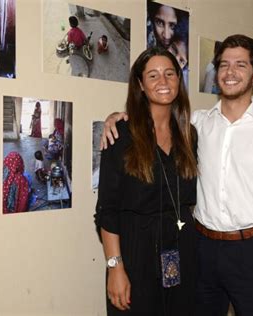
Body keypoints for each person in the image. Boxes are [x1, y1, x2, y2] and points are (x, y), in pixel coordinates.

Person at [101, 34, 253, 315]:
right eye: (224, 64)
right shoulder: (196, 125)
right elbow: (148, 123)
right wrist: (117, 116)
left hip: (251, 251)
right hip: (200, 249)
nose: (230, 72)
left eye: (241, 65)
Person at [95, 47, 198, 315]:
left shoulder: (190, 135)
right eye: (152, 76)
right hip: (135, 255)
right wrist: (115, 267)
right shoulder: (121, 135)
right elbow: (107, 211)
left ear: (178, 80)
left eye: (169, 74)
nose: (163, 82)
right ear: (140, 84)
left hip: (182, 250)